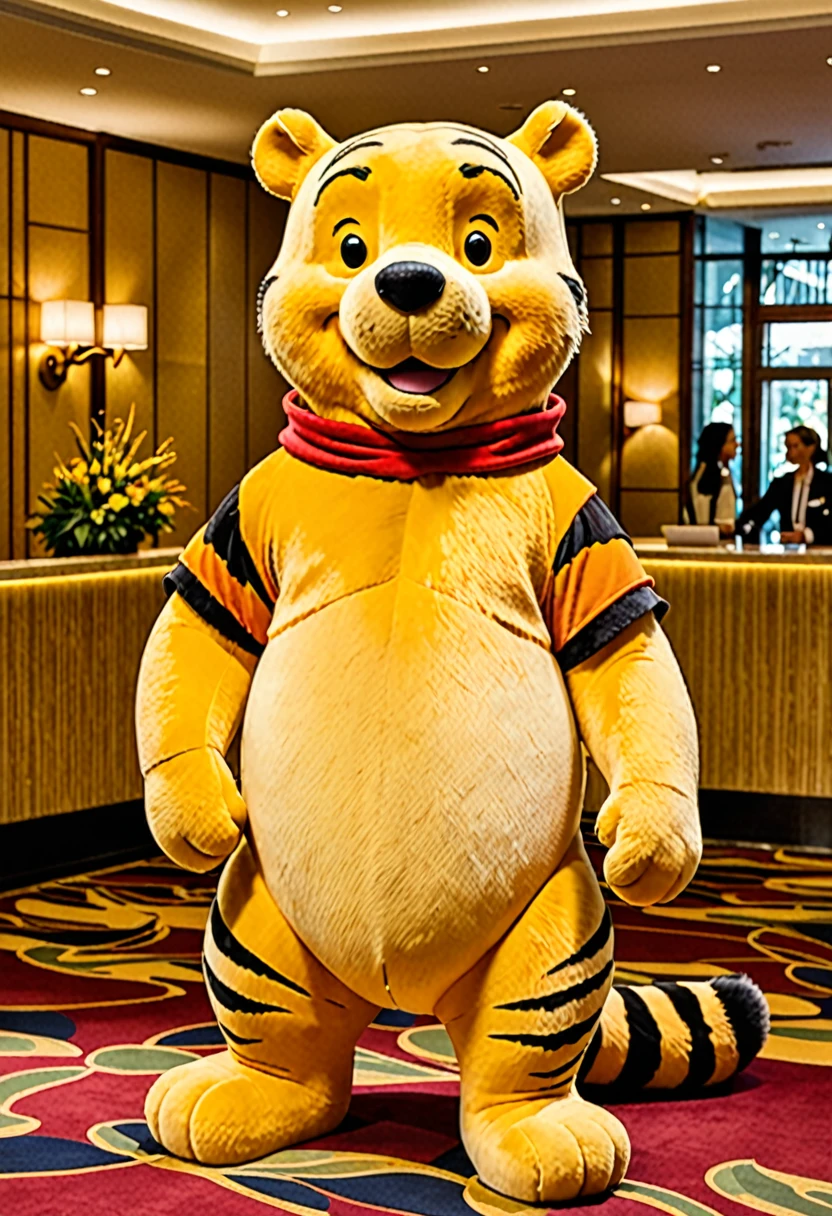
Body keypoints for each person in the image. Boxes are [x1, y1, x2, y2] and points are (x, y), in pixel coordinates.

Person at [738, 425, 832, 545]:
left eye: (795, 446)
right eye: (788, 447)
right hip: (788, 551)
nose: (790, 452)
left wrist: (805, 535)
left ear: (811, 448)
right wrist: (740, 525)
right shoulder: (782, 483)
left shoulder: (827, 483)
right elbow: (759, 512)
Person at [685, 422, 739, 536]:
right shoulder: (717, 477)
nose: (737, 444)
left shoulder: (698, 474)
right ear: (719, 444)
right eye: (732, 440)